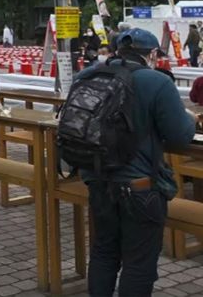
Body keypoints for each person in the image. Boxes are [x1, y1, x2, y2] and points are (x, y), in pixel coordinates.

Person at [78, 28, 195, 297]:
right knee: (138, 263)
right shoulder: (156, 82)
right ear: (152, 54)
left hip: (97, 179)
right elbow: (180, 134)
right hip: (139, 185)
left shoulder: (89, 74)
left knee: (104, 252)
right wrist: (188, 117)